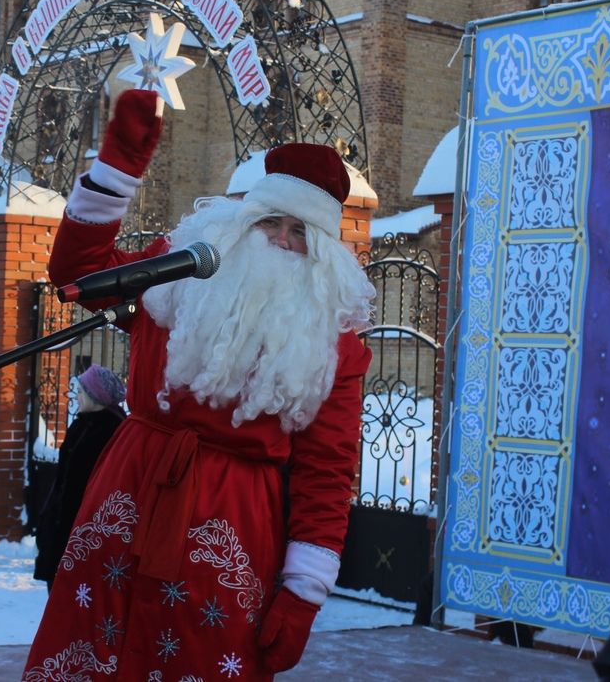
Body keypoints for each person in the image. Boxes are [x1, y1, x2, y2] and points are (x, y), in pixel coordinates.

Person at [23, 90, 375, 679]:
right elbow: (78, 275)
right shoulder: (180, 270)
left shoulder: (334, 344)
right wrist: (118, 166)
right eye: (271, 222)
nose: (282, 242)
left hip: (232, 526)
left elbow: (327, 474)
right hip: (128, 496)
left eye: (300, 233)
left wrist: (302, 594)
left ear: (322, 251)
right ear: (244, 220)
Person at [33, 364, 127, 590]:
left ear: (95, 396)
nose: (77, 395)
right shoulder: (82, 425)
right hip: (62, 527)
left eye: (82, 391)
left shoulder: (111, 430)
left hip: (84, 531)